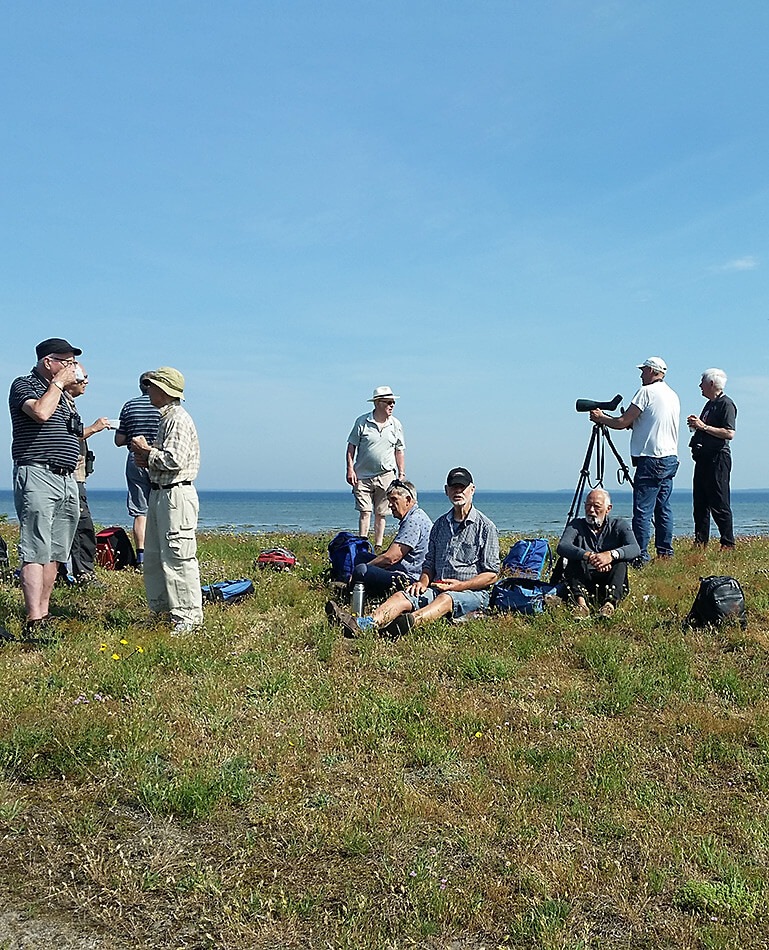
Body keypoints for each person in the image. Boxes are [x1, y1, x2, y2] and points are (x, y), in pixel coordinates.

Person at [327, 467, 499, 638]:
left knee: (446, 598)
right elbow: (429, 563)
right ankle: (363, 625)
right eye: (454, 487)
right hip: (436, 587)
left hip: (472, 593)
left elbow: (491, 575)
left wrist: (460, 586)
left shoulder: (485, 528)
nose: (458, 491)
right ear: (447, 491)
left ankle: (406, 624)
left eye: (463, 487)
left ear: (472, 490)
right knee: (401, 596)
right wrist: (423, 582)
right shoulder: (440, 526)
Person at [9, 338, 82, 636]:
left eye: (72, 363)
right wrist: (58, 385)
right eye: (65, 362)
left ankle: (45, 612)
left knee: (55, 551)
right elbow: (40, 412)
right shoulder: (24, 385)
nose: (71, 368)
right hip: (37, 473)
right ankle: (33, 618)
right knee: (35, 547)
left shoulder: (65, 396)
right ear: (47, 362)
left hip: (66, 478)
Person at [129, 367, 203, 633]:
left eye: (151, 386)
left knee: (177, 556)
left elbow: (174, 460)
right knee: (154, 556)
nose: (148, 391)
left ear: (163, 390)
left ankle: (187, 619)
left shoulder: (177, 419)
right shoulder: (167, 418)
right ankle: (162, 613)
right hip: (162, 492)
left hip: (175, 493)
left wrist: (146, 452)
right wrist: (147, 457)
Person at [590, 356, 680, 564]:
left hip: (651, 458)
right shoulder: (672, 394)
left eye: (643, 370)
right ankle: (665, 552)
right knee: (663, 508)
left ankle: (640, 555)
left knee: (643, 510)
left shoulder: (646, 392)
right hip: (670, 457)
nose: (640, 375)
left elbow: (622, 422)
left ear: (651, 371)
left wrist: (601, 418)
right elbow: (652, 422)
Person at [59, 362, 111, 585]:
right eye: (83, 377)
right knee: (82, 525)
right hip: (71, 476)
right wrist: (94, 428)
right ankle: (84, 574)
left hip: (76, 474)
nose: (86, 382)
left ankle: (65, 573)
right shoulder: (60, 402)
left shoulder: (68, 403)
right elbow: (68, 436)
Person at [556, 488, 641, 617]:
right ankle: (581, 605)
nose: (591, 510)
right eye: (588, 506)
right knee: (573, 558)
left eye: (596, 506)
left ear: (608, 509)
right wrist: (589, 556)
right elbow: (563, 546)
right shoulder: (576, 525)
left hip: (608, 578)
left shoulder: (619, 525)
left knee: (621, 562)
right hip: (583, 577)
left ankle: (609, 605)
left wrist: (611, 555)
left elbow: (635, 548)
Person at [344, 479, 433, 598]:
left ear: (408, 500)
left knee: (361, 569)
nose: (390, 505)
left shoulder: (413, 521)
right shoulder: (415, 516)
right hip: (405, 570)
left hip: (410, 578)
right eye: (389, 500)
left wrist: (365, 567)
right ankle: (360, 589)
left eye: (394, 500)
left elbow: (391, 558)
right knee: (361, 557)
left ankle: (353, 593)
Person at [346, 386, 405, 548]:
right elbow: (351, 447)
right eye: (389, 402)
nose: (392, 405)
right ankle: (362, 544)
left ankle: (378, 546)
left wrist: (401, 473)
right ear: (378, 403)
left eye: (393, 402)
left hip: (386, 474)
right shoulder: (362, 422)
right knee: (365, 511)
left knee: (381, 513)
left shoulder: (396, 424)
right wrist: (350, 469)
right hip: (362, 476)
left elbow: (399, 450)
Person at [114, 374, 161, 566]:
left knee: (140, 511)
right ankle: (159, 552)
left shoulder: (129, 406)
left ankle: (141, 556)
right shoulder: (162, 407)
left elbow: (119, 440)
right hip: (158, 457)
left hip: (135, 459)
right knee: (162, 507)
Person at [687, 368, 737, 550]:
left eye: (702, 382)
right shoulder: (710, 404)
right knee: (700, 502)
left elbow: (729, 433)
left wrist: (704, 426)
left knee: (719, 501)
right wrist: (697, 427)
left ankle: (727, 543)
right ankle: (700, 542)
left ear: (711, 384)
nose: (700, 386)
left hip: (718, 458)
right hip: (703, 458)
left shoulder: (726, 404)